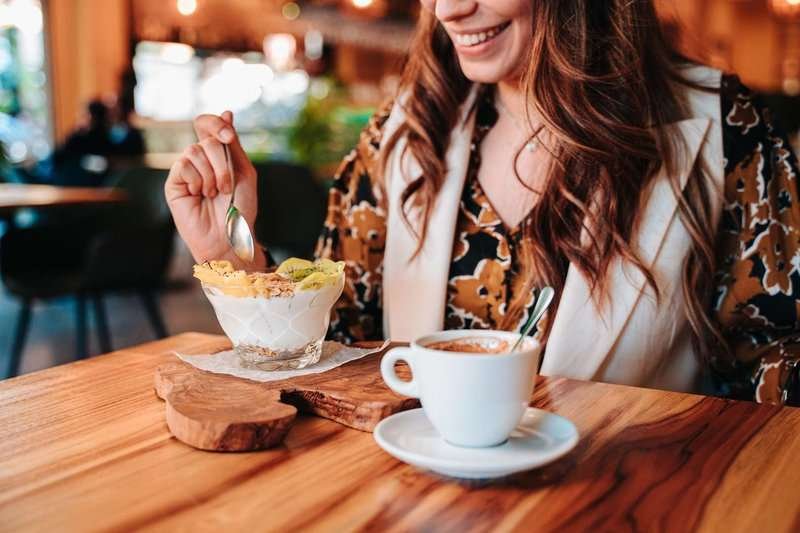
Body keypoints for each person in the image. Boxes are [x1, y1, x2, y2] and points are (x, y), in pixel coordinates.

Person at [165, 0, 800, 406]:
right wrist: (233, 254)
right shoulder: (403, 135)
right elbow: (337, 353)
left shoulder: (717, 123)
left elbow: (771, 353)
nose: (449, 9)